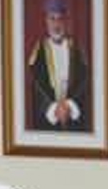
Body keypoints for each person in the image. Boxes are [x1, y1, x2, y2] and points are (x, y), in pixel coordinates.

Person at [27, 0, 89, 132]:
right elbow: (35, 84)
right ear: (46, 21)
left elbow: (85, 81)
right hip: (48, 121)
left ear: (66, 21)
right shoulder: (39, 50)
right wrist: (54, 108)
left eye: (60, 19)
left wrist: (69, 106)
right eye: (52, 19)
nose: (56, 24)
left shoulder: (76, 49)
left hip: (74, 120)